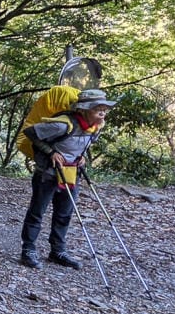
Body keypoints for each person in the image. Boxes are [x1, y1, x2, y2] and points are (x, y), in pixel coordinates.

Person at [19, 88, 116, 269]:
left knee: (64, 214)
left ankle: (58, 251)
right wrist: (51, 152)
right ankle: (28, 250)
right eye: (97, 109)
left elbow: (81, 145)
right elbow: (30, 132)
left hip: (71, 174)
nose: (102, 113)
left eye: (104, 109)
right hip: (47, 174)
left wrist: (82, 156)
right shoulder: (63, 125)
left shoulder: (95, 127)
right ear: (84, 110)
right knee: (37, 212)